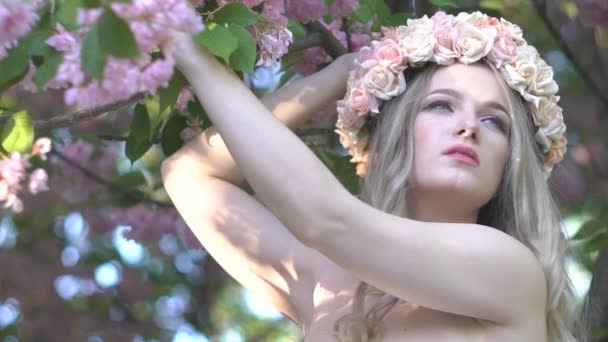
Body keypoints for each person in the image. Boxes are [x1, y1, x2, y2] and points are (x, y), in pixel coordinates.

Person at [161, 10, 589, 342]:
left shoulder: (509, 270)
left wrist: (190, 50)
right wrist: (339, 78)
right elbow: (189, 173)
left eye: (496, 122)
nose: (469, 127)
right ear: (391, 133)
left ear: (510, 163)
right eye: (441, 105)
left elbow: (323, 219)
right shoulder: (325, 282)